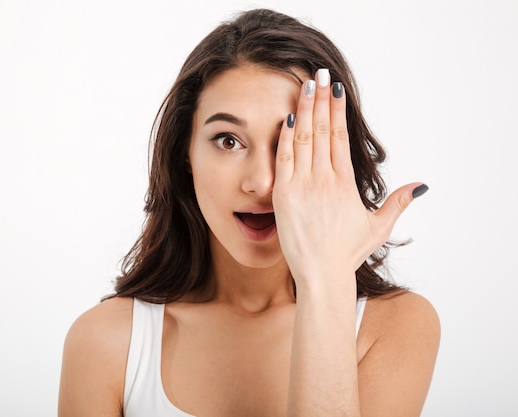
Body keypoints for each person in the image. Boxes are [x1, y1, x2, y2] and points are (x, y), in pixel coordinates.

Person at [58, 8, 440, 417]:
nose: (262, 182)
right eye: (228, 141)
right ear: (185, 154)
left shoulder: (395, 327)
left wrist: (325, 283)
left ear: (336, 154)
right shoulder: (104, 342)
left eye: (291, 142)